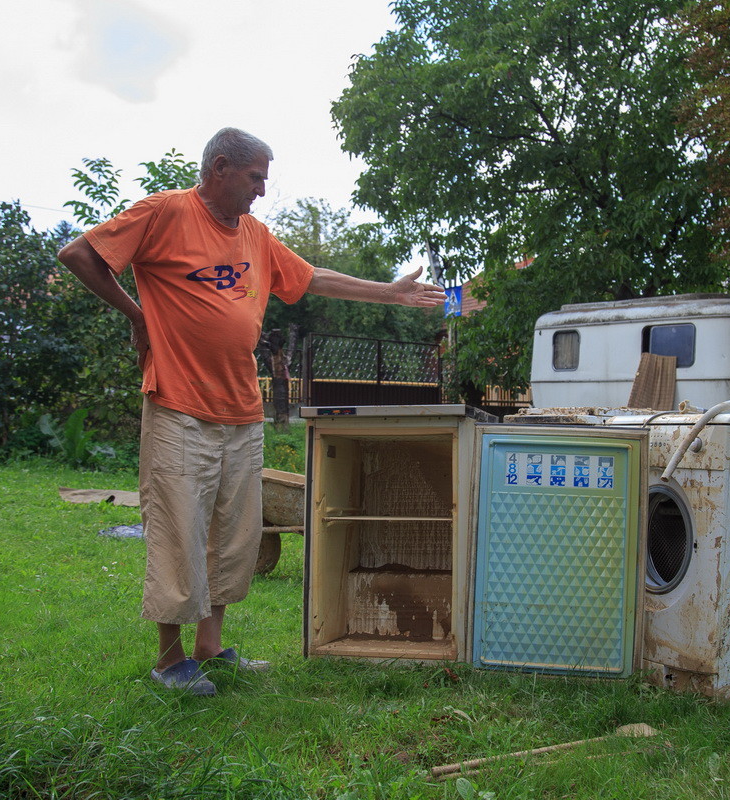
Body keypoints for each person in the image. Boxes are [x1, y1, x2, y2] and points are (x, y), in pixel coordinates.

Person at [58, 127, 445, 696]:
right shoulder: (166, 213)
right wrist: (137, 315)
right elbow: (80, 255)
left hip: (240, 410)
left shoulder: (255, 236)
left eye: (265, 178)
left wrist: (389, 292)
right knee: (177, 529)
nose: (262, 190)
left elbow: (310, 277)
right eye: (255, 177)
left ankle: (210, 647)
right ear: (219, 168)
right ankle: (169, 662)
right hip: (177, 405)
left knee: (233, 536)